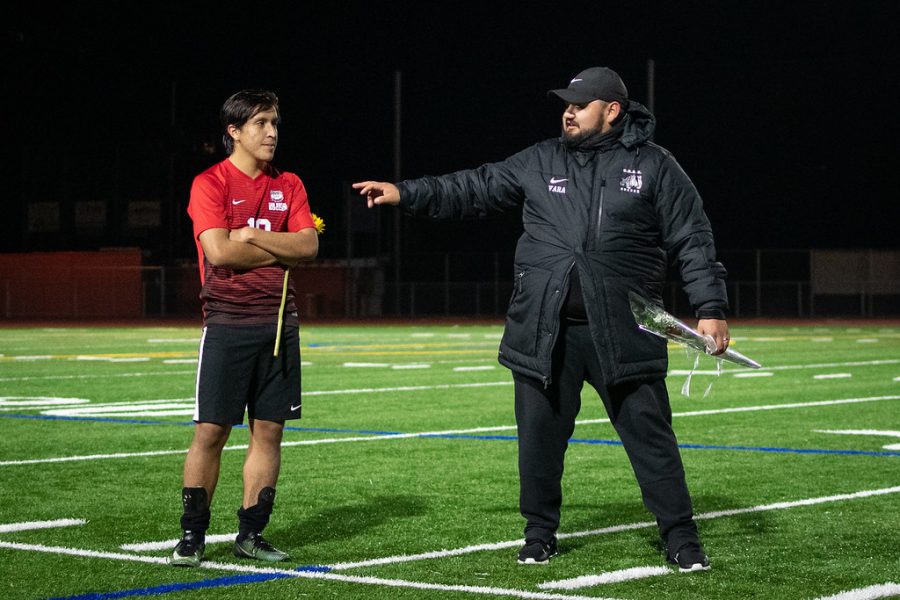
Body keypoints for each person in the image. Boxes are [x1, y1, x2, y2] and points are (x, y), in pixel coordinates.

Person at [353, 67, 729, 572]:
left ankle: (681, 539)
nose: (568, 111)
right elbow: (475, 186)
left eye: (580, 103)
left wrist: (710, 309)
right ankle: (538, 534)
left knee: (651, 442)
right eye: (565, 103)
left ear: (612, 110)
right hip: (543, 332)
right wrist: (405, 192)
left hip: (623, 331)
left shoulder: (656, 166)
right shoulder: (540, 159)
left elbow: (693, 238)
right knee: (538, 446)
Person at [170, 89, 319, 567]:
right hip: (228, 322)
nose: (272, 132)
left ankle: (250, 535)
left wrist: (254, 235)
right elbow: (219, 252)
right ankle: (192, 536)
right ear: (234, 131)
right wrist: (282, 246)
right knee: (211, 431)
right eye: (260, 123)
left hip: (280, 323)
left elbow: (310, 247)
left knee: (269, 431)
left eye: (275, 122)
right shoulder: (209, 183)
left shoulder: (290, 183)